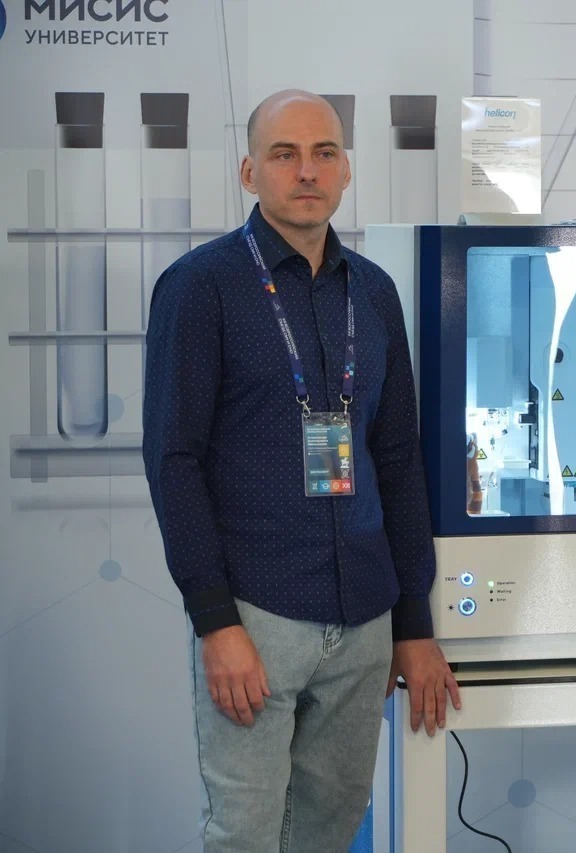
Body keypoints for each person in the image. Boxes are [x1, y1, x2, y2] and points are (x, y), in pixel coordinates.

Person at [142, 89, 460, 852]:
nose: (306, 171)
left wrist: (413, 622)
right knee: (245, 833)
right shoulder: (201, 287)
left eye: (323, 153)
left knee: (329, 830)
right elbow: (174, 460)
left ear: (346, 169)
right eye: (284, 154)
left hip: (366, 618)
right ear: (249, 171)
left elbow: (397, 458)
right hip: (258, 615)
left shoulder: (374, 293)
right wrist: (215, 621)